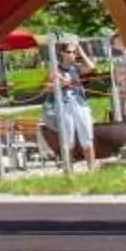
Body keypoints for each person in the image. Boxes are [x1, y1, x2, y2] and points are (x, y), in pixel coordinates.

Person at [45, 41, 97, 172]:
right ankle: (68, 171)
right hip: (65, 105)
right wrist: (61, 84)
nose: (72, 55)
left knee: (87, 139)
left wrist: (81, 51)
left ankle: (92, 169)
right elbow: (47, 88)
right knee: (68, 141)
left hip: (81, 105)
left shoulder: (76, 68)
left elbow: (91, 67)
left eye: (74, 53)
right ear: (62, 53)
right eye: (69, 52)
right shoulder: (55, 70)